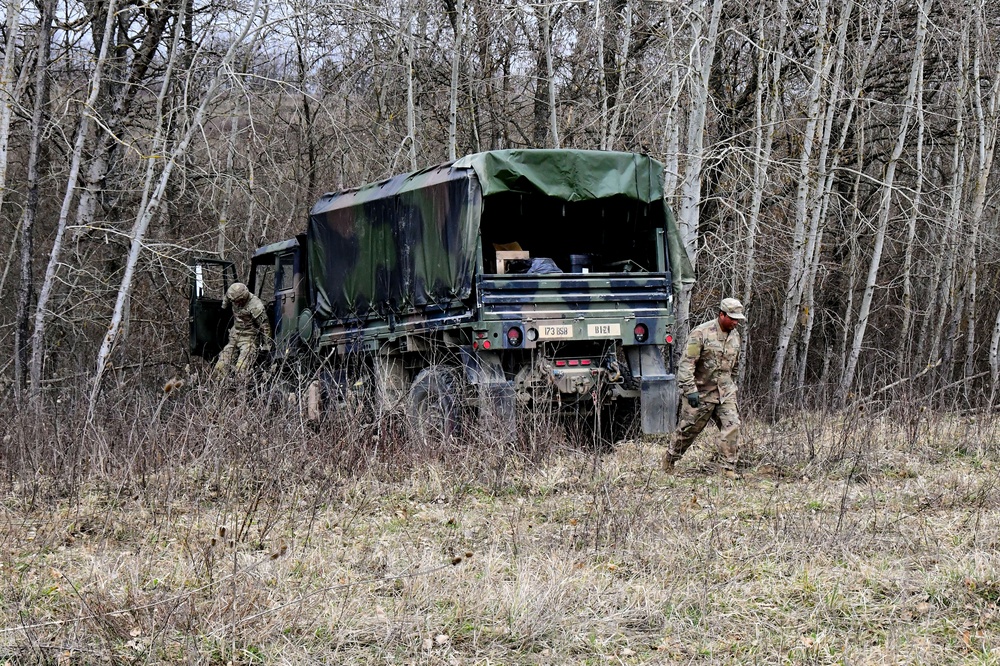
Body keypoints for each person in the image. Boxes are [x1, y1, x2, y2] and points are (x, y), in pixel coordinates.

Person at [663, 297, 745, 477]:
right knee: (688, 430)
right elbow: (686, 364)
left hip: (725, 393)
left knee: (732, 426)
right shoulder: (701, 333)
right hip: (700, 393)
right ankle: (669, 460)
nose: (735, 322)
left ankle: (727, 468)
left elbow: (735, 364)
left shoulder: (735, 336)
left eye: (737, 318)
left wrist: (732, 384)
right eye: (731, 318)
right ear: (721, 314)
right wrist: (690, 390)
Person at [214, 282, 272, 377]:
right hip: (234, 337)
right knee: (220, 367)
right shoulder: (232, 295)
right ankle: (223, 389)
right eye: (235, 301)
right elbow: (226, 298)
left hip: (249, 339)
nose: (237, 303)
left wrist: (267, 346)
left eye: (239, 300)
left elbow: (265, 327)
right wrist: (223, 306)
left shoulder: (256, 306)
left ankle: (241, 389)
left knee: (241, 368)